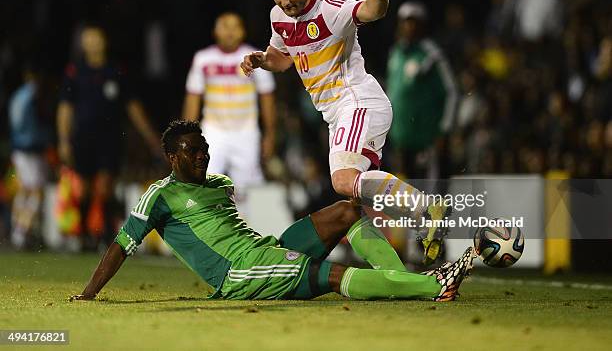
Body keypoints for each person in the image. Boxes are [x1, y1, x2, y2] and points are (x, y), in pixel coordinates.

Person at [70, 120, 475, 302]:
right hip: (239, 274)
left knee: (347, 211)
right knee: (326, 276)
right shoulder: (159, 196)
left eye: (204, 146)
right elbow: (122, 245)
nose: (202, 154)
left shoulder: (218, 185)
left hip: (262, 252)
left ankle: (398, 283)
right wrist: (89, 293)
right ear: (170, 156)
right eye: (192, 149)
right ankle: (431, 286)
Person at [240, 0, 450, 265]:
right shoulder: (278, 17)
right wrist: (262, 60)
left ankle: (427, 211)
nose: (285, 2)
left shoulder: (331, 9)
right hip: (338, 116)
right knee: (353, 195)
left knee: (342, 180)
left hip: (357, 102)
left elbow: (369, 12)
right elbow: (282, 58)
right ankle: (393, 268)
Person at [57, 24, 161, 250]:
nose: (92, 43)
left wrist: (150, 136)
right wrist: (63, 140)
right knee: (83, 189)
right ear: (83, 44)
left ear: (104, 42)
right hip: (82, 138)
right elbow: (65, 109)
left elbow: (133, 106)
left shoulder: (116, 71)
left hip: (109, 138)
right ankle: (84, 234)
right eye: (88, 39)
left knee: (104, 187)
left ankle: (105, 235)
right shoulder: (75, 72)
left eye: (96, 38)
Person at [182, 12, 276, 220]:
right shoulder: (203, 59)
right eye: (225, 25)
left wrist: (270, 133)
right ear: (215, 31)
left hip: (246, 132)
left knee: (245, 190)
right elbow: (193, 97)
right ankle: (206, 235)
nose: (230, 31)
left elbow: (267, 97)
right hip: (213, 132)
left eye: (235, 26)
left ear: (243, 31)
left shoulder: (255, 57)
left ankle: (245, 237)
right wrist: (187, 134)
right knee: (203, 183)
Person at [386, 1, 457, 180]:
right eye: (405, 21)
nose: (408, 26)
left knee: (431, 197)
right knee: (406, 199)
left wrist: (444, 130)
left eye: (413, 21)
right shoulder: (396, 53)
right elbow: (392, 93)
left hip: (426, 139)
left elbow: (451, 92)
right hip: (401, 139)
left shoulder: (432, 56)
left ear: (422, 25)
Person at [8, 67, 53, 249]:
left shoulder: (17, 96)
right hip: (31, 149)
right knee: (36, 192)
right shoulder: (34, 95)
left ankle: (17, 232)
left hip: (18, 149)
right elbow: (40, 119)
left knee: (24, 191)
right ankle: (22, 233)